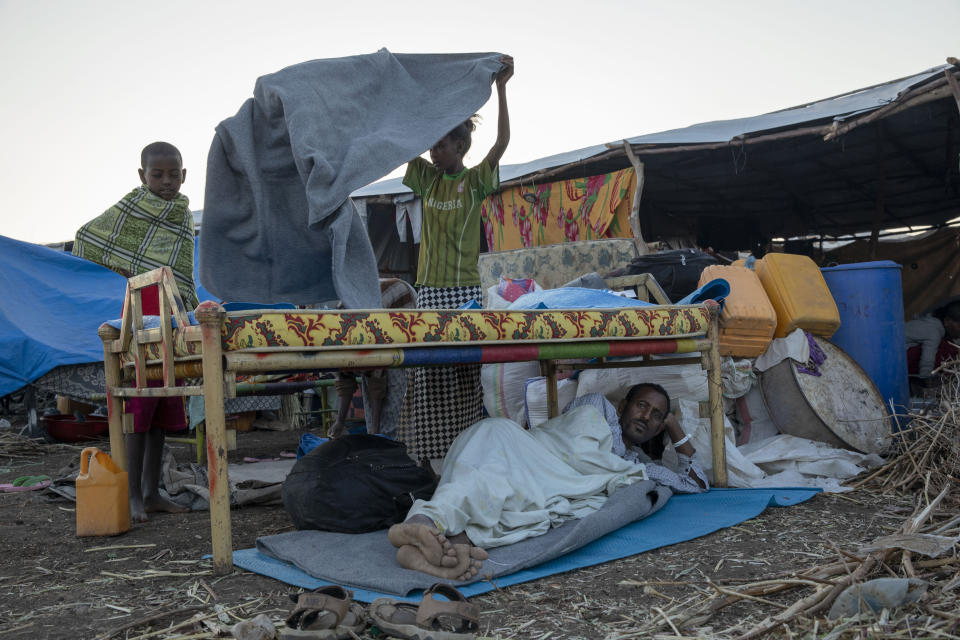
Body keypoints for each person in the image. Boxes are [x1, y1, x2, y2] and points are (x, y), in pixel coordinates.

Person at [387, 383, 708, 580]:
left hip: (540, 477)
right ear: (623, 406)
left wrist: (673, 426)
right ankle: (424, 521)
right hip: (514, 443)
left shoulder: (636, 465)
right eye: (642, 406)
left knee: (509, 496)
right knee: (488, 475)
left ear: (658, 428)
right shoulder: (597, 407)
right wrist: (600, 459)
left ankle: (444, 548)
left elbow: (696, 482)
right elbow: (566, 436)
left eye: (656, 415)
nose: (646, 416)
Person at [73, 141, 196, 523]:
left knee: (164, 403)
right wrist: (132, 271)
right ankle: (131, 498)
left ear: (184, 175)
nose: (166, 181)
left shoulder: (182, 214)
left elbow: (181, 271)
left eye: (173, 174)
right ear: (142, 176)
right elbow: (87, 239)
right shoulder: (130, 210)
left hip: (172, 317)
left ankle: (152, 491)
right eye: (157, 174)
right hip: (139, 318)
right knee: (139, 407)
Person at [401, 55, 513, 465]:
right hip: (429, 291)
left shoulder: (476, 180)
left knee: (466, 373)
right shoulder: (425, 177)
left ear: (461, 147)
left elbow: (500, 144)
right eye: (433, 144)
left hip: (464, 291)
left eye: (441, 144)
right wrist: (430, 104)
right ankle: (429, 462)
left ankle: (467, 455)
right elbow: (408, 138)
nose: (434, 150)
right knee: (429, 376)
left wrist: (501, 89)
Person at [905, 301, 960, 379]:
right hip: (894, 360)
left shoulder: (932, 324)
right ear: (947, 321)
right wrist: (927, 381)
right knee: (944, 349)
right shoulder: (934, 332)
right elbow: (927, 363)